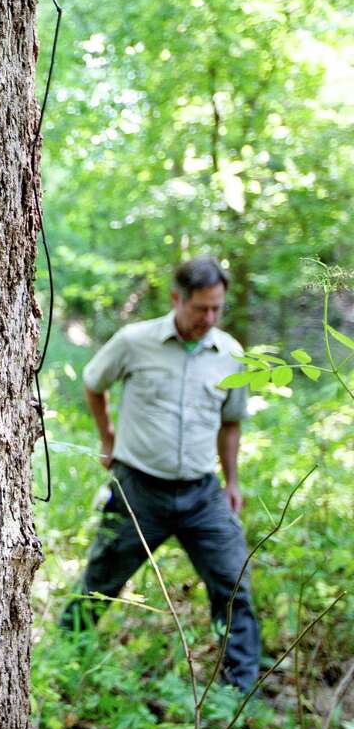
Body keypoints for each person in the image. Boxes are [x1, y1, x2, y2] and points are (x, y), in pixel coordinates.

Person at [60, 257, 259, 692]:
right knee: (99, 580)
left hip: (202, 493)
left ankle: (237, 694)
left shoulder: (229, 354)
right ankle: (62, 665)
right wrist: (107, 439)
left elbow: (231, 422)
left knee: (234, 585)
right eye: (200, 309)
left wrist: (232, 482)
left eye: (217, 309)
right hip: (139, 490)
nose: (209, 318)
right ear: (176, 299)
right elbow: (94, 383)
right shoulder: (135, 341)